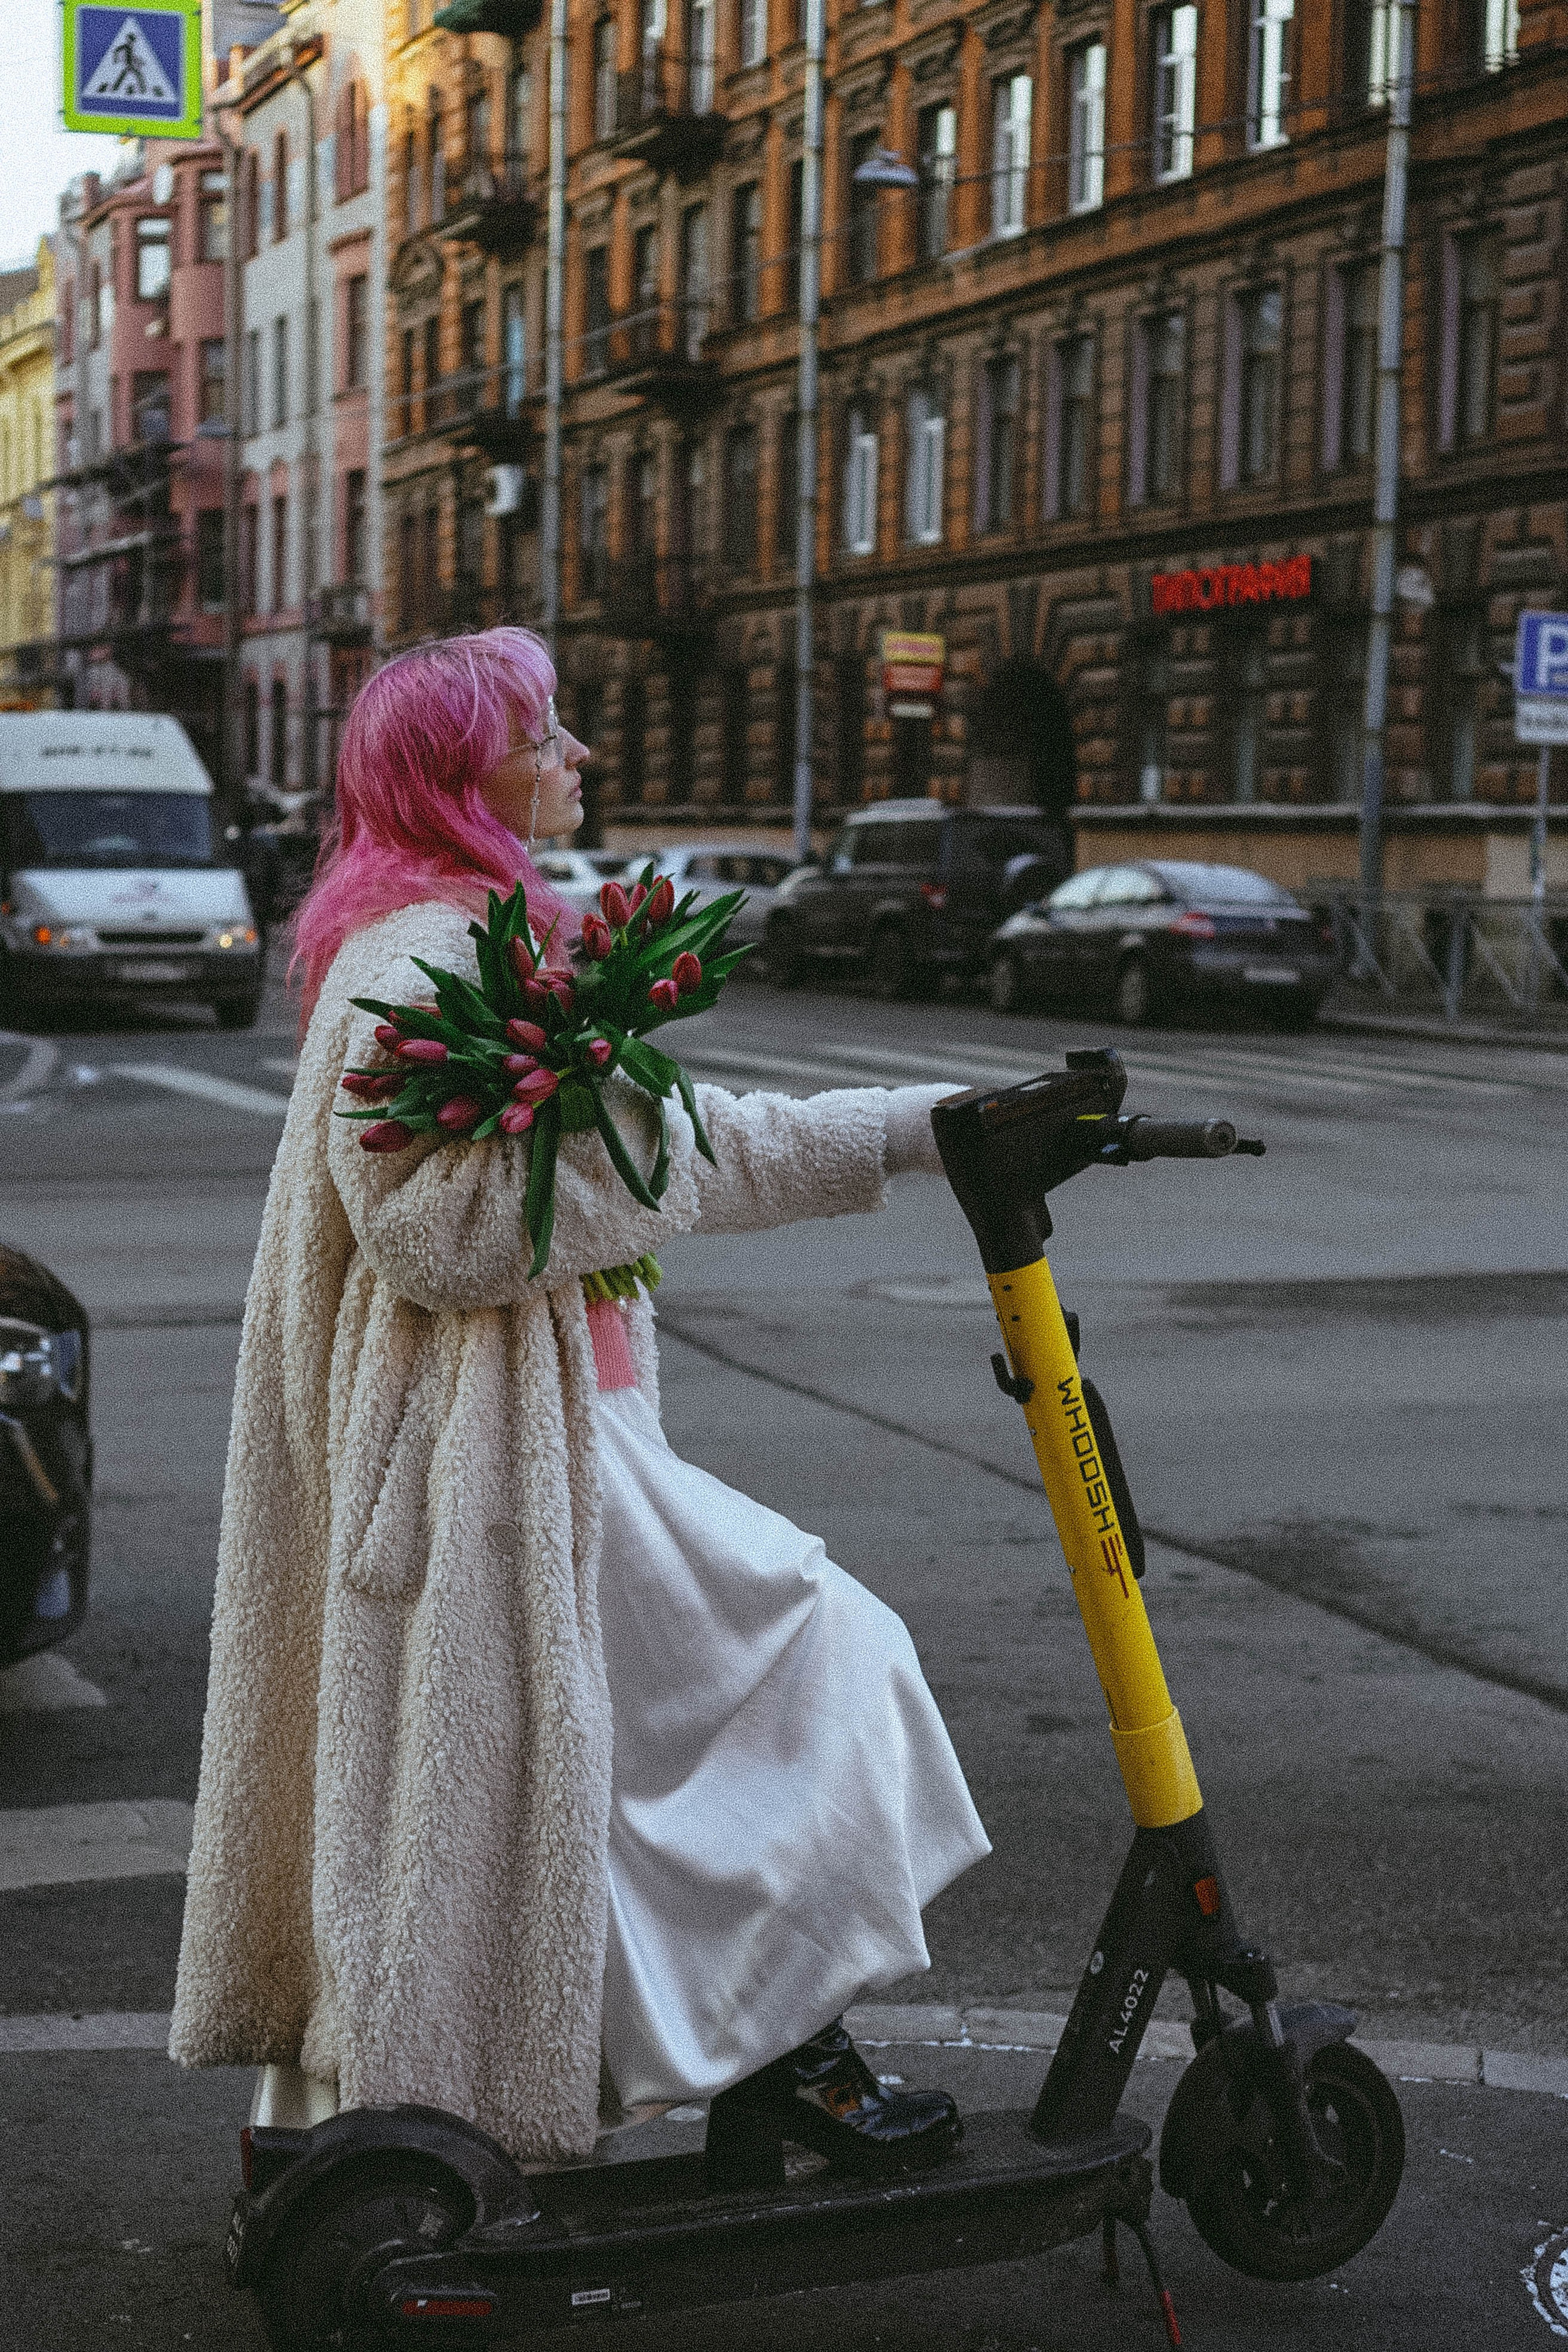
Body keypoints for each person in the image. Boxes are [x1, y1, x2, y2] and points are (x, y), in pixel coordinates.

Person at [170, 627, 990, 2180]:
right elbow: (445, 1226)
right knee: (824, 1661)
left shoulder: (457, 935)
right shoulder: (417, 958)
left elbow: (666, 1147)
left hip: (548, 1441)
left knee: (583, 1782)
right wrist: (644, 1140)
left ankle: (702, 2076)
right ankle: (757, 2070)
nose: (576, 759)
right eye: (546, 735)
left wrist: (916, 1129)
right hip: (502, 1462)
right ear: (456, 774)